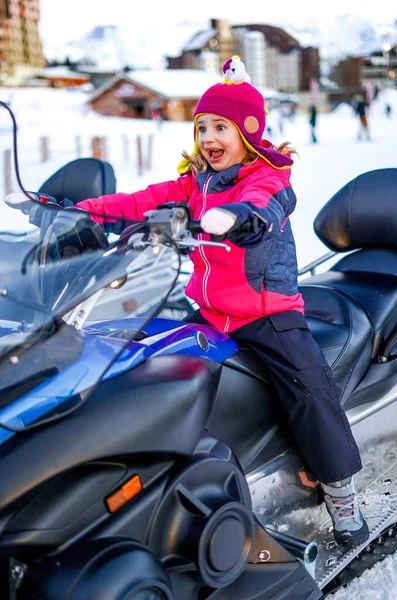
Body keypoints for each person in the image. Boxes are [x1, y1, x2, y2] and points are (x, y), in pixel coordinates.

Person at [75, 56, 369, 547]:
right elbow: (142, 200)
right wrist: (81, 213)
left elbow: (264, 207)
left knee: (309, 387)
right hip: (210, 312)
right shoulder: (197, 183)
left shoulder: (265, 177)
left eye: (221, 127)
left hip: (267, 313)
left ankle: (339, 489)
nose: (209, 138)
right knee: (147, 359)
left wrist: (236, 219)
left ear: (249, 135)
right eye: (202, 126)